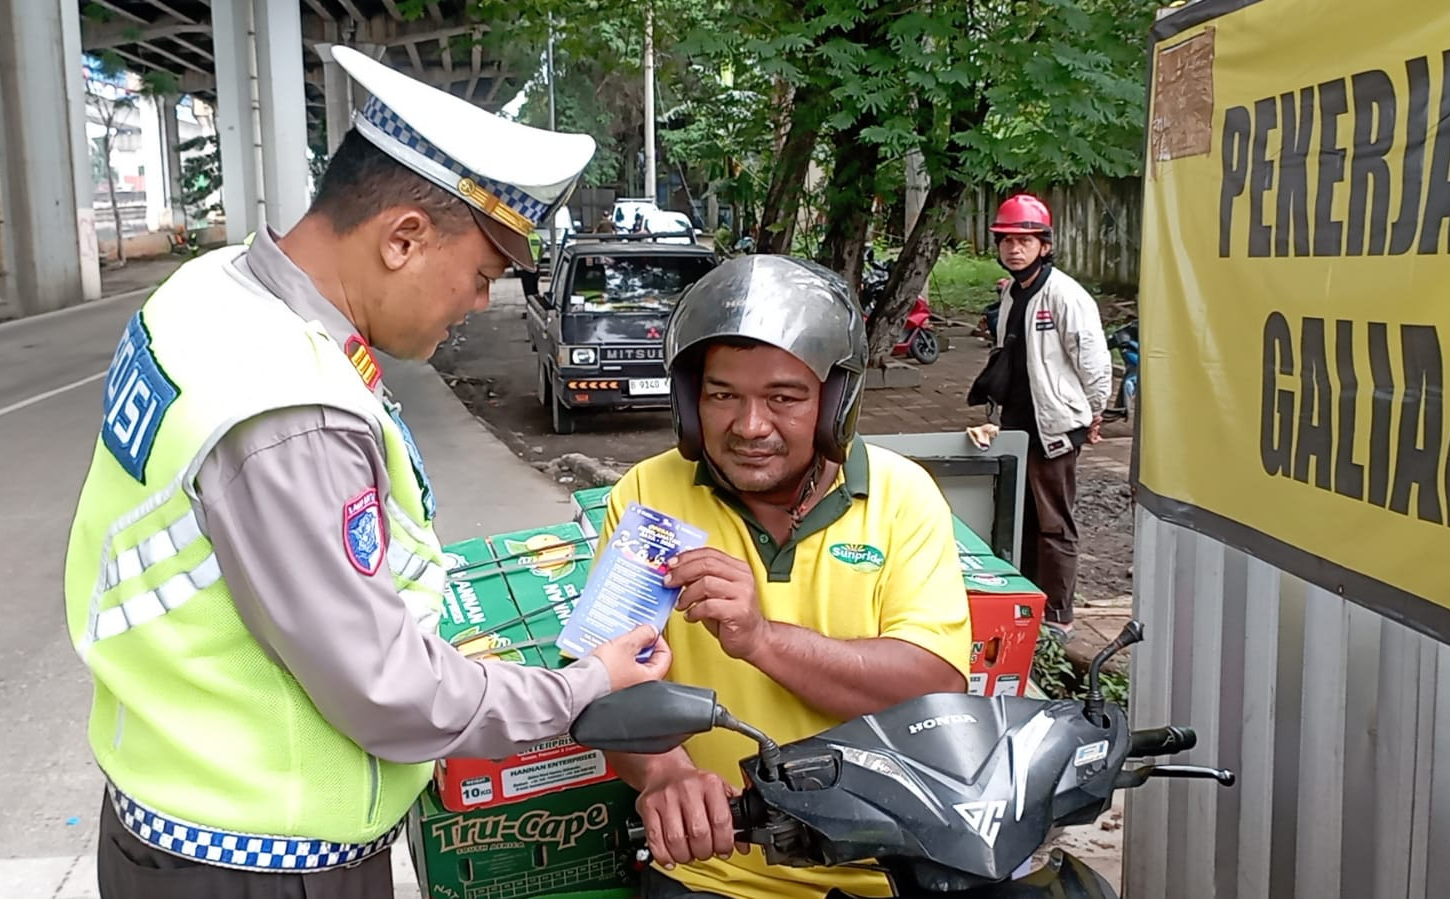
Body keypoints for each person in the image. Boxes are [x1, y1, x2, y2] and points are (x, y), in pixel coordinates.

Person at [61, 46, 670, 899]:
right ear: (404, 237)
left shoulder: (209, 291)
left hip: (165, 810)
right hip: (264, 860)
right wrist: (583, 686)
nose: (473, 307)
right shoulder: (289, 409)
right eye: (482, 276)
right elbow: (386, 691)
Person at [595, 254, 974, 899]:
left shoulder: (902, 496)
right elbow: (610, 688)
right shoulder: (649, 496)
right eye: (722, 396)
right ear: (690, 402)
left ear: (836, 402)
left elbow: (933, 693)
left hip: (881, 872)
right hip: (715, 873)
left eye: (784, 398)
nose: (749, 427)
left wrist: (762, 638)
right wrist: (665, 776)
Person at [975, 194, 1112, 641]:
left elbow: (1092, 358)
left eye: (1025, 240)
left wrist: (1096, 411)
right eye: (1007, 241)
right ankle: (1026, 603)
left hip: (1054, 424)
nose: (1014, 249)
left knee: (1053, 521)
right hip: (1017, 422)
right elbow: (1007, 358)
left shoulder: (1064, 295)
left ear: (1044, 245)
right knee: (1019, 517)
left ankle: (1057, 614)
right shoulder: (1013, 293)